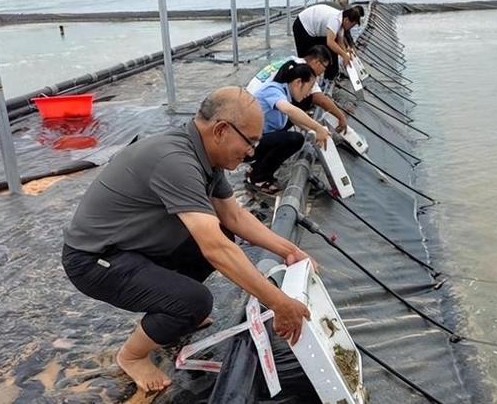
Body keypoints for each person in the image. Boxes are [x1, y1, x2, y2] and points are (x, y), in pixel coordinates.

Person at [62, 86, 315, 393]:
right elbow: (216, 250)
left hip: (131, 247)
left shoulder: (206, 157)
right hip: (93, 259)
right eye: (250, 141)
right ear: (221, 130)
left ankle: (171, 310)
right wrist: (277, 302)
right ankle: (132, 354)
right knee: (195, 301)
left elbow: (233, 217)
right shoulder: (176, 161)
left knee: (222, 231)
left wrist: (289, 250)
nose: (251, 152)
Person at [246, 62, 330, 194]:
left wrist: (313, 131)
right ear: (298, 82)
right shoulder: (273, 90)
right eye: (310, 87)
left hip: (258, 138)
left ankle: (256, 167)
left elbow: (294, 119)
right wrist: (318, 128)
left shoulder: (284, 93)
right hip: (246, 144)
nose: (309, 93)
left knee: (294, 123)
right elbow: (289, 110)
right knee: (294, 139)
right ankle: (258, 177)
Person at [246, 44, 348, 134]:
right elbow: (321, 100)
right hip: (257, 112)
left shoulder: (292, 61)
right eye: (325, 67)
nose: (323, 72)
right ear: (317, 62)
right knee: (308, 100)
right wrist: (340, 117)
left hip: (249, 98)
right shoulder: (303, 72)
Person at [292, 4, 362, 80]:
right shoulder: (335, 20)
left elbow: (340, 42)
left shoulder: (341, 22)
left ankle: (329, 77)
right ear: (347, 20)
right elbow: (330, 42)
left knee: (330, 52)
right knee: (307, 58)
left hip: (316, 31)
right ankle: (301, 81)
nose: (350, 28)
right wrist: (344, 55)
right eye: (351, 25)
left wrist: (346, 54)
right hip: (303, 26)